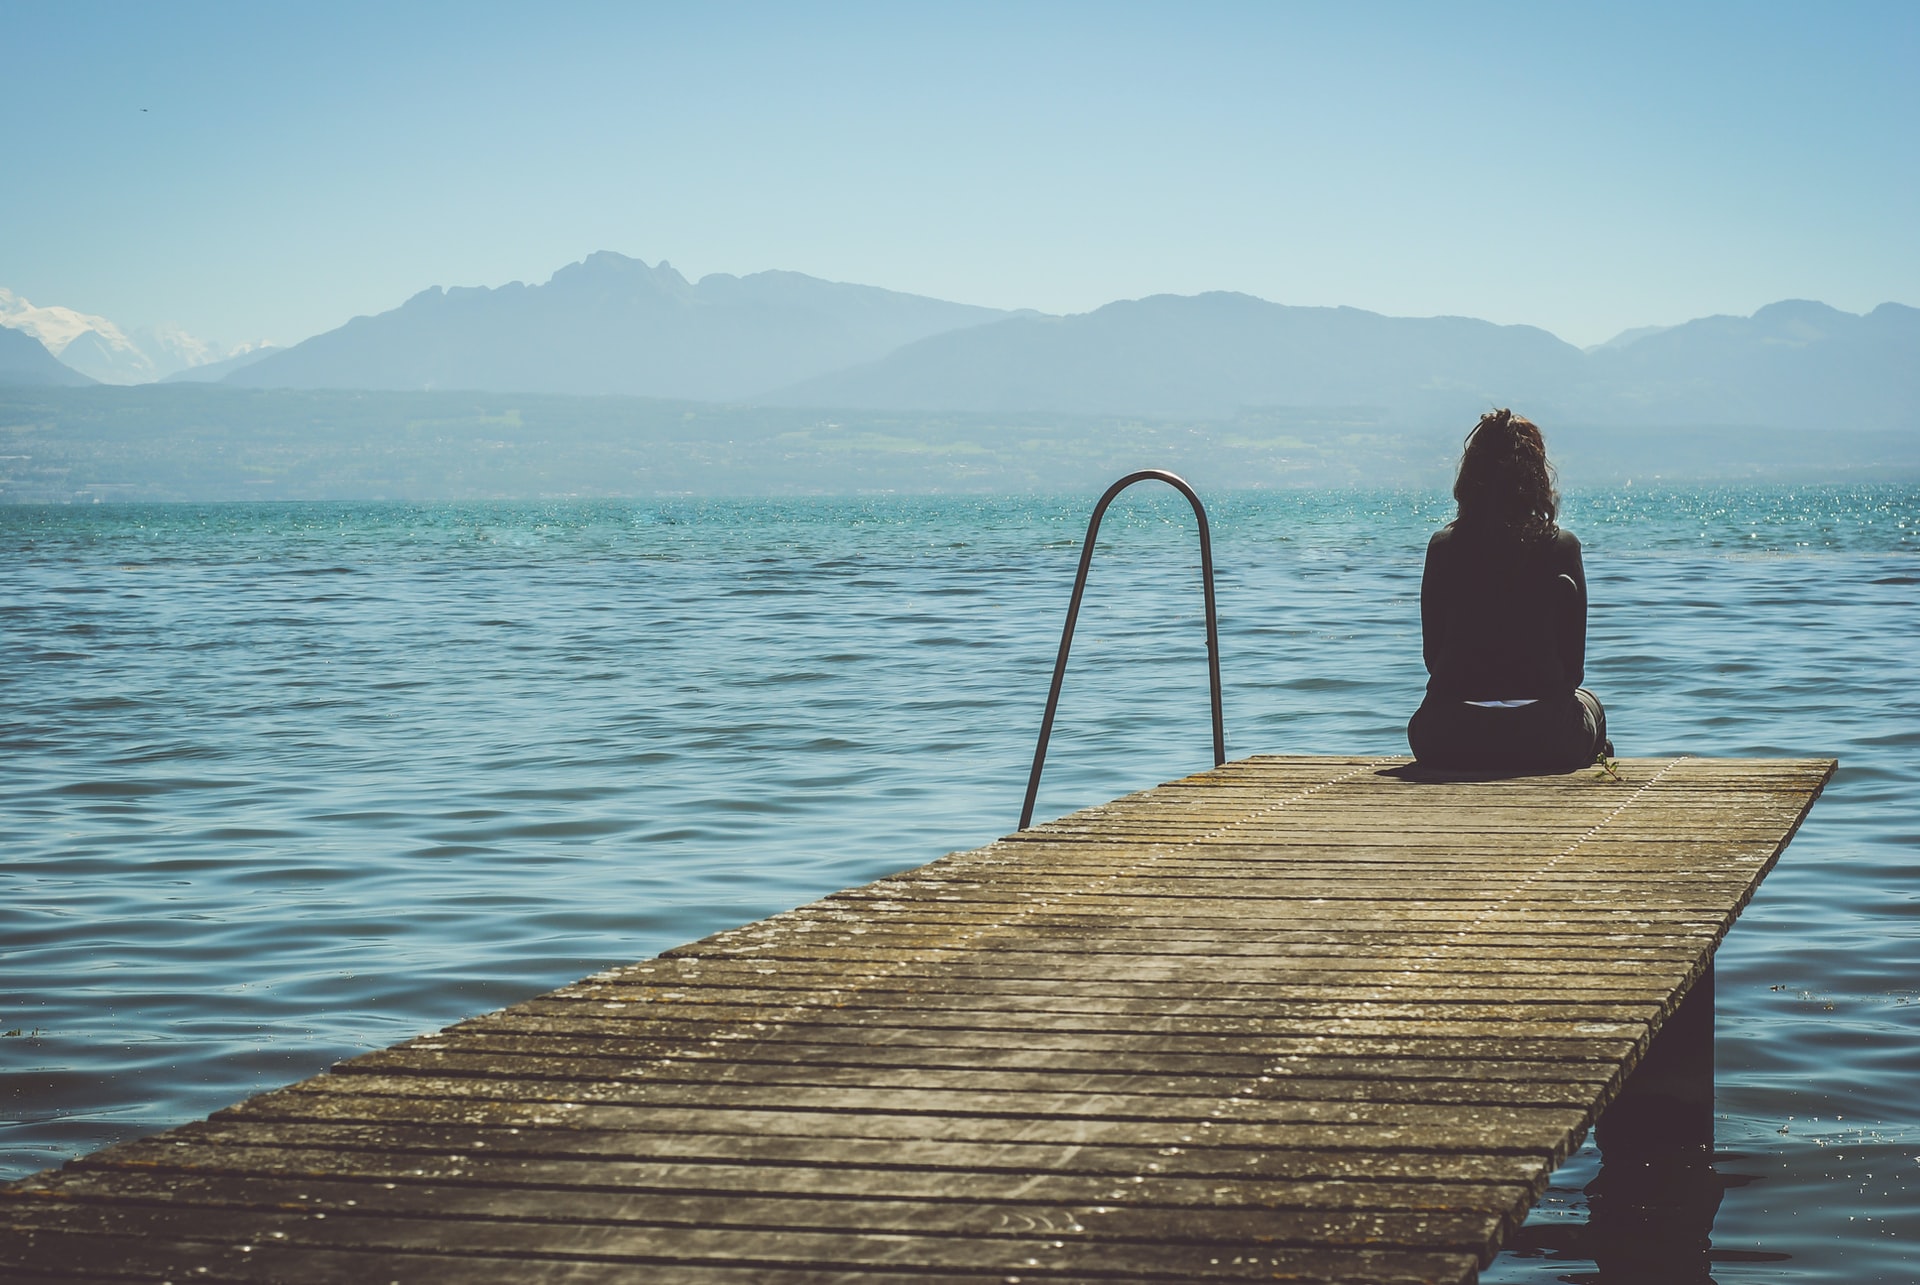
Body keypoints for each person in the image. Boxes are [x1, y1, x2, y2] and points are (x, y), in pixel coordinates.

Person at [1408, 409, 1611, 771]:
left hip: (1448, 735)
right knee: (1590, 702)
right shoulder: (1562, 547)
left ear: (1470, 478)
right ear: (1536, 479)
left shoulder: (1442, 547)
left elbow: (1432, 658)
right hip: (1546, 737)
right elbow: (1573, 671)